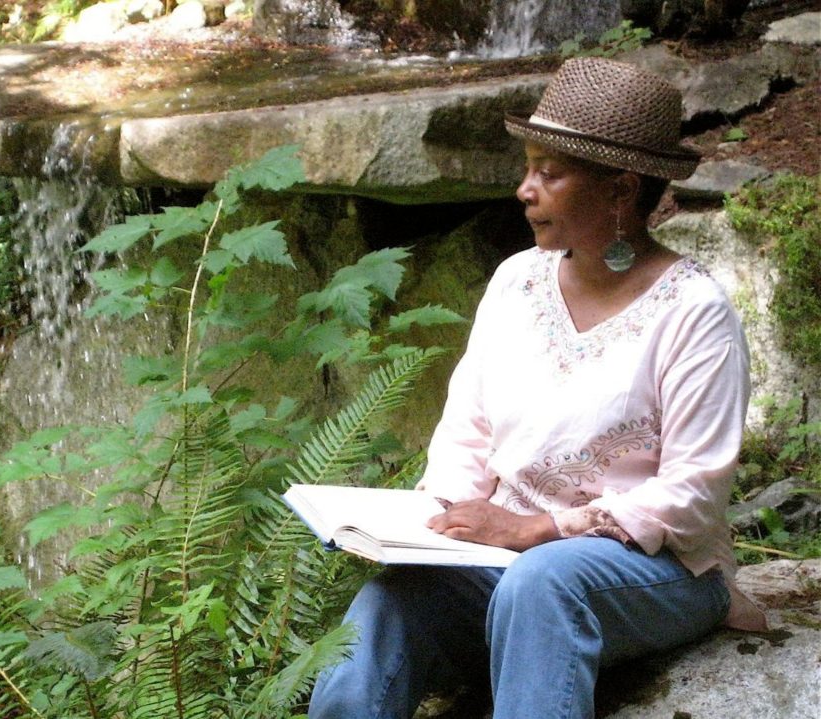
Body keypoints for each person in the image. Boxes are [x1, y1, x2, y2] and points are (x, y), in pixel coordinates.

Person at [307, 57, 767, 719]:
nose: (525, 189)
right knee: (389, 602)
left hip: (656, 570)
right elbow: (467, 430)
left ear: (620, 189)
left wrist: (539, 528)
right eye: (527, 167)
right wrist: (432, 524)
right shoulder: (517, 282)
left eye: (548, 173)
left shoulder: (694, 314)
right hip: (506, 564)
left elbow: (693, 494)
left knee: (543, 582)